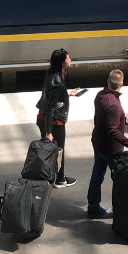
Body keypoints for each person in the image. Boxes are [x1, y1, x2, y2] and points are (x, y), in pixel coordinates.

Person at [86, 69, 128, 218]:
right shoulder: (114, 105)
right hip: (110, 149)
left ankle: (93, 208)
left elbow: (107, 119)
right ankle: (120, 209)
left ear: (108, 81)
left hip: (98, 143)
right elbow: (113, 131)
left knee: (97, 176)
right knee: (120, 180)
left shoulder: (101, 95)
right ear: (122, 84)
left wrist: (123, 119)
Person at [36, 48, 83, 188]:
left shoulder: (51, 74)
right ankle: (60, 179)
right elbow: (51, 107)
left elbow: (53, 98)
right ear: (62, 62)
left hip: (43, 118)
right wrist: (49, 132)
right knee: (59, 150)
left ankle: (49, 177)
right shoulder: (57, 80)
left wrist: (67, 95)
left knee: (51, 150)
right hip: (53, 121)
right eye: (68, 58)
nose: (70, 60)